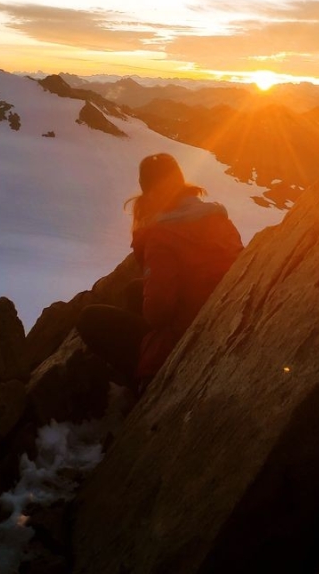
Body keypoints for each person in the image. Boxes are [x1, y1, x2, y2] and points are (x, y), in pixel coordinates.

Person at [77, 153, 244, 394]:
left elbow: (158, 312)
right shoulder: (218, 217)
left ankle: (141, 384)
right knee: (134, 289)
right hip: (224, 313)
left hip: (187, 336)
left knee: (90, 319)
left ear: (149, 192)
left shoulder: (162, 234)